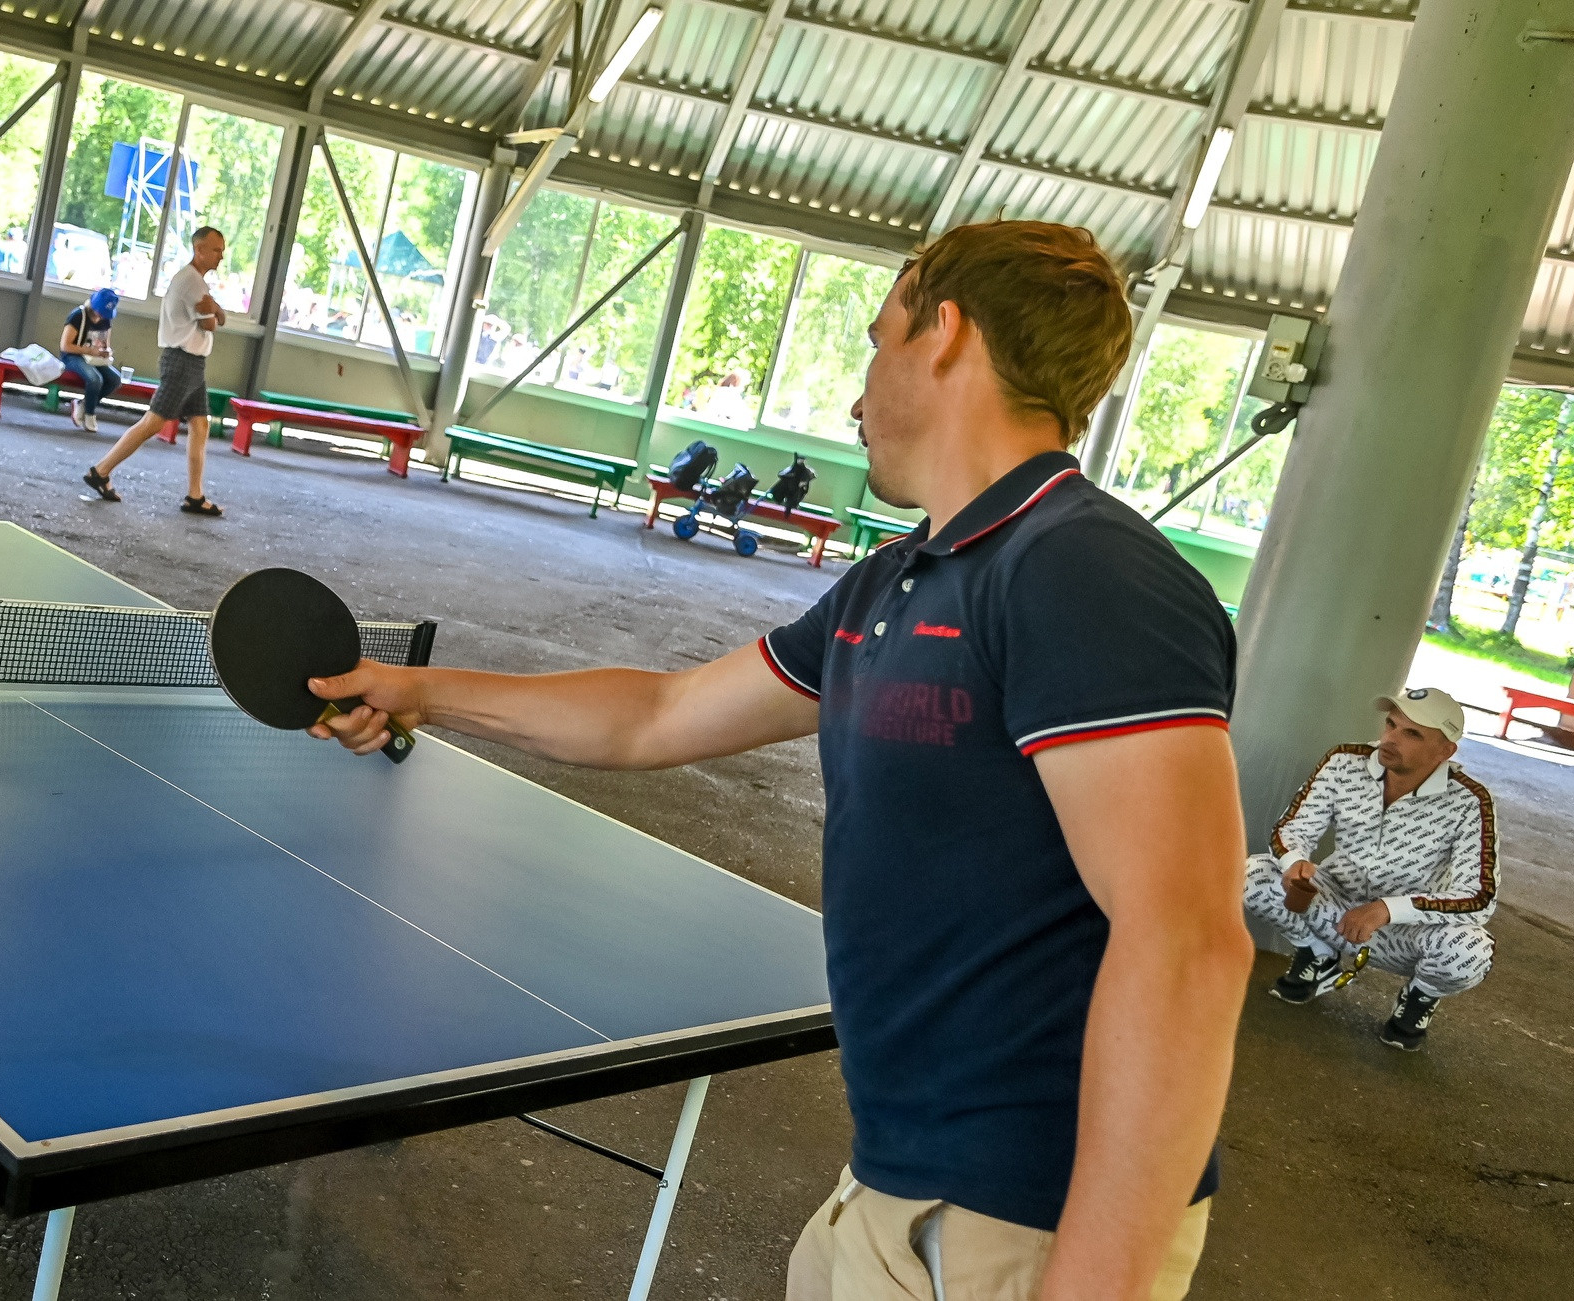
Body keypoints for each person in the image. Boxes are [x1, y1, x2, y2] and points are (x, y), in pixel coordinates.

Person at [304, 220, 1251, 1301]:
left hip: (1013, 1222)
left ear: (942, 334)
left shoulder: (1081, 570)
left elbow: (1185, 944)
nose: (858, 391)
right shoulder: (902, 577)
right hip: (899, 1180)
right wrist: (418, 688)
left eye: (876, 340)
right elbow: (656, 716)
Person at [1246, 687, 1496, 1051]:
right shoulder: (1345, 760)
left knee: (1470, 951)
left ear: (1445, 751)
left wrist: (1387, 909)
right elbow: (1293, 829)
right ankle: (1317, 954)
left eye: (1412, 734)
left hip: (1404, 933)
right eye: (1391, 724)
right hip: (1333, 908)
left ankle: (1420, 997)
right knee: (1252, 875)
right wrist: (1295, 862)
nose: (1390, 739)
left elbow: (1479, 896)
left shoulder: (1469, 800)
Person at [83, 225, 226, 517]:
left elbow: (216, 315)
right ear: (199, 250)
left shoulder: (194, 281)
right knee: (153, 423)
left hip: (193, 363)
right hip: (182, 362)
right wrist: (216, 312)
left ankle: (195, 496)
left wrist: (217, 311)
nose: (220, 256)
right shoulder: (192, 282)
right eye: (216, 250)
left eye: (222, 251)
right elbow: (210, 323)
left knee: (200, 425)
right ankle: (101, 470)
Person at [58, 288, 122, 432]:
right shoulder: (77, 316)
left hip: (94, 358)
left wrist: (106, 352)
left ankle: (83, 404)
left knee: (115, 379)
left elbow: (106, 343)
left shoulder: (106, 320)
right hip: (72, 356)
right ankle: (90, 414)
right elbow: (65, 345)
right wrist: (88, 350)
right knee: (95, 379)